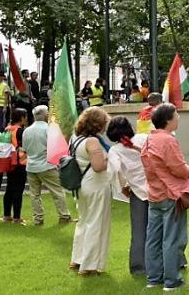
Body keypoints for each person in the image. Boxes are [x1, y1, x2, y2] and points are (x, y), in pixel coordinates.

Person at [142, 103, 189, 290]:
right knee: (172, 238)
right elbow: (178, 167)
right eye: (176, 114)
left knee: (153, 238)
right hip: (171, 194)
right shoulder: (168, 140)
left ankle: (154, 278)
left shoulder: (149, 139)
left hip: (155, 194)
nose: (178, 117)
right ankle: (171, 280)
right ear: (168, 120)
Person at [69, 107, 113, 276]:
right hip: (96, 185)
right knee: (96, 223)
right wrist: (111, 157)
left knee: (83, 221)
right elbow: (98, 166)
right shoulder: (93, 142)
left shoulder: (75, 138)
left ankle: (77, 259)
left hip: (81, 184)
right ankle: (89, 265)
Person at [107, 116, 149, 275]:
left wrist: (122, 187)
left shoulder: (115, 150)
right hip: (157, 188)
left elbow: (115, 170)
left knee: (139, 231)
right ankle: (175, 261)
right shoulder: (144, 138)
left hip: (137, 192)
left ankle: (138, 267)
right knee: (165, 227)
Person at [22, 105, 72, 226]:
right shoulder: (50, 129)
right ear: (46, 115)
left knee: (34, 194)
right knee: (57, 191)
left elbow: (25, 149)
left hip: (31, 166)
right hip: (47, 165)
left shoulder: (27, 130)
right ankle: (64, 215)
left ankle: (38, 218)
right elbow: (58, 148)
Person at [1, 108, 28, 223]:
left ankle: (7, 215)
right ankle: (17, 217)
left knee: (9, 189)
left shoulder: (6, 129)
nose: (26, 119)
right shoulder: (21, 131)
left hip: (8, 161)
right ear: (22, 118)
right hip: (20, 162)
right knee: (18, 190)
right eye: (25, 117)